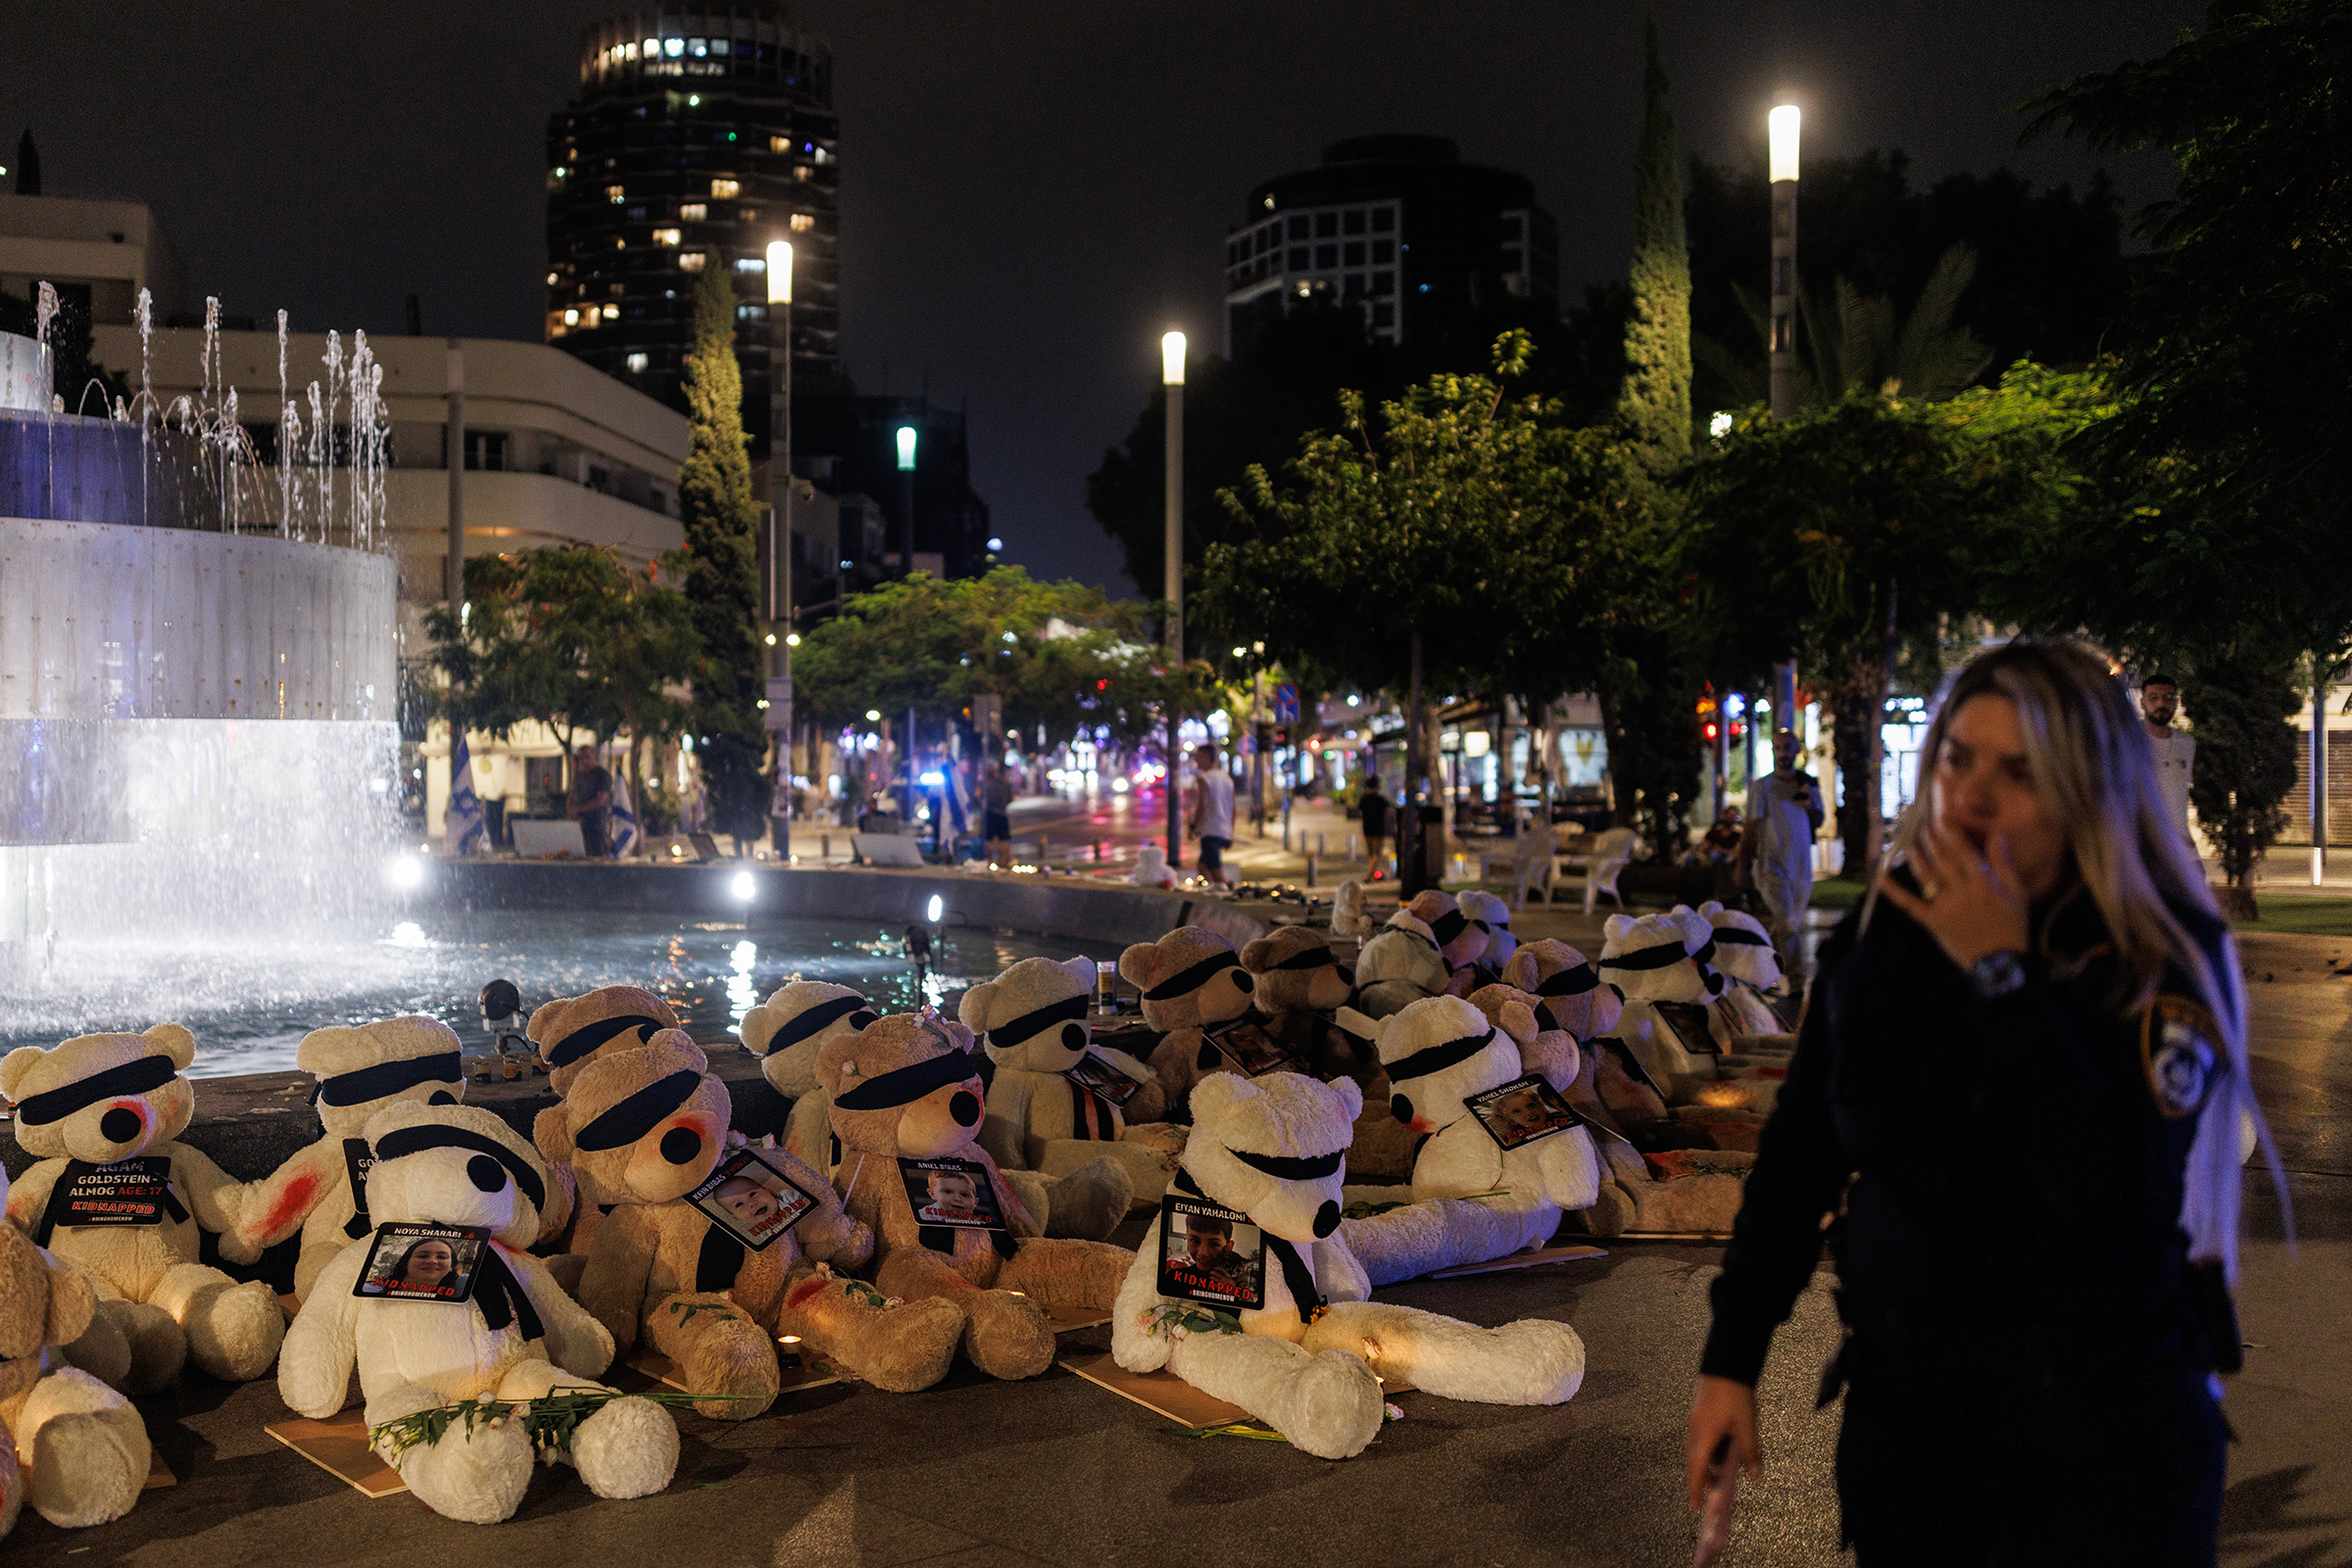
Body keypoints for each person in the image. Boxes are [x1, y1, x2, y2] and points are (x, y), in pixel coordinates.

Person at [1687, 640, 2272, 1568]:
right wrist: (1732, 1357)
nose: (1974, 796)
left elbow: (2111, 1188)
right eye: (1958, 758)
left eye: (2019, 771)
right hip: (1915, 1430)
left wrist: (2006, 975)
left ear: (2089, 785)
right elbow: (1804, 1152)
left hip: (2108, 1444)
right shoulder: (1892, 933)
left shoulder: (2158, 951)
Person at [1739, 731, 1824, 993]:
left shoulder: (1807, 784)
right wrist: (1742, 864)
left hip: (1800, 869)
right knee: (1787, 922)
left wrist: (1809, 802)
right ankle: (1797, 981)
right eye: (1777, 748)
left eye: (1787, 747)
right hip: (1771, 868)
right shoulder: (1762, 787)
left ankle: (1757, 971)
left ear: (1796, 750)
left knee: (1784, 927)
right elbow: (1751, 828)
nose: (1783, 753)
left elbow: (1818, 821)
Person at [2141, 674, 2197, 845]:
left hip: (2180, 844)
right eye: (2153, 698)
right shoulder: (2129, 739)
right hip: (2143, 846)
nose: (2161, 704)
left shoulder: (2186, 742)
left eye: (2168, 698)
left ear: (2176, 702)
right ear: (2143, 702)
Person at [1189, 744, 1238, 886]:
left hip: (1210, 831)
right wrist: (1231, 833)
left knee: (1217, 873)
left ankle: (1230, 894)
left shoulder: (1205, 778)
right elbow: (1233, 808)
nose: (1196, 761)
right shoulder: (1226, 778)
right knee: (1202, 866)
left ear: (1205, 757)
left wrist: (1193, 826)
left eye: (1197, 757)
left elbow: (1202, 806)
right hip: (1224, 830)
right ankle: (1215, 893)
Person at [566, 744, 613, 858]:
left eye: (587, 757)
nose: (584, 761)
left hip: (596, 824)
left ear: (594, 756)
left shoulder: (602, 775)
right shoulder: (579, 776)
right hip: (579, 823)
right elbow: (571, 796)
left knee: (595, 855)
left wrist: (578, 809)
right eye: (581, 758)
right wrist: (570, 811)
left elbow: (600, 800)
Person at [981, 760, 1016, 868]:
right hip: (1002, 813)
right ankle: (1002, 863)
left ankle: (990, 862)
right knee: (1003, 840)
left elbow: (979, 797)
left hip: (990, 813)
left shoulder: (986, 784)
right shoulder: (1005, 783)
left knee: (990, 840)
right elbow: (1011, 798)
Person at [1356, 777, 1392, 880]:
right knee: (1376, 854)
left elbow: (1361, 814)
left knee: (1370, 854)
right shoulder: (1380, 799)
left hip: (1367, 828)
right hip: (1378, 828)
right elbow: (1389, 812)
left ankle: (1370, 874)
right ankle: (1368, 876)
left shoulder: (1364, 799)